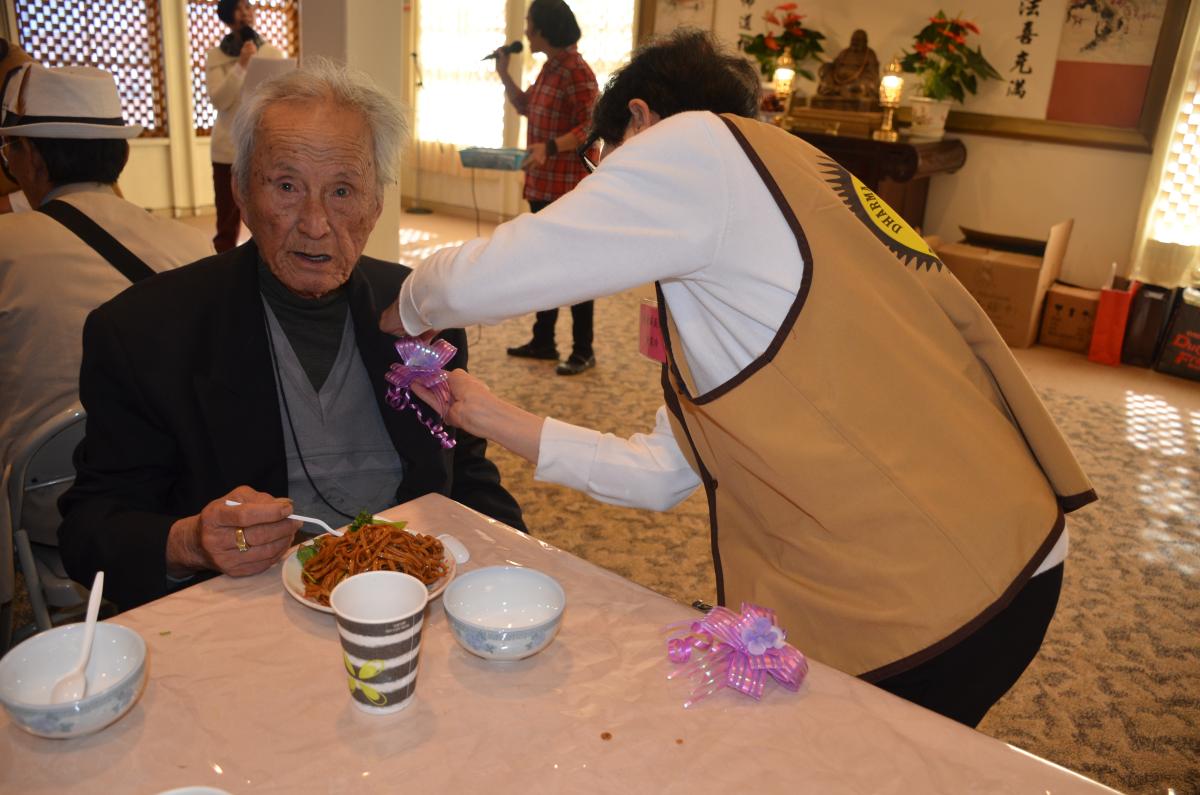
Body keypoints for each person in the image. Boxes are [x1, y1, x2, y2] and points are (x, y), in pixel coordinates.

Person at [381, 30, 1097, 727]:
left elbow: (498, 272)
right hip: (1008, 558)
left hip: (941, 590)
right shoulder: (783, 190)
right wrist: (487, 414)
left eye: (603, 163)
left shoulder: (694, 144)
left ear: (640, 119)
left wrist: (402, 302)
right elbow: (664, 472)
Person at [58, 60, 525, 613]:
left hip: (416, 597)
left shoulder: (421, 310)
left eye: (343, 191)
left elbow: (465, 471)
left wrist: (518, 565)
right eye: (286, 186)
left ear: (376, 203)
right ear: (241, 190)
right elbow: (90, 528)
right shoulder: (144, 331)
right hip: (244, 616)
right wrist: (191, 542)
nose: (315, 224)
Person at [0, 64, 212, 501]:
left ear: (32, 158)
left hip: (41, 499)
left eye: (9, 151)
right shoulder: (193, 244)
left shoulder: (7, 245)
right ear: (122, 154)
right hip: (177, 490)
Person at [492, 0, 599, 376]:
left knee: (576, 268)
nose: (525, 31)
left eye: (529, 24)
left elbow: (591, 127)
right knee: (545, 264)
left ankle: (583, 349)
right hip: (543, 184)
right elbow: (527, 106)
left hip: (568, 187)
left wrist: (550, 147)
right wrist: (504, 74)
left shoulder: (576, 70)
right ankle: (543, 340)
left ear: (544, 29)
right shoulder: (551, 68)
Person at [206, 0, 282, 252]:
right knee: (226, 221)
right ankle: (225, 266)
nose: (246, 13)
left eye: (248, 7)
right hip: (226, 148)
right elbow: (220, 100)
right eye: (239, 9)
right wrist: (242, 64)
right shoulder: (216, 56)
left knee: (269, 213)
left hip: (263, 145)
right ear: (228, 17)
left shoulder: (272, 54)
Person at [814, 29, 880, 107]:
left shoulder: (870, 54)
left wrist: (858, 81)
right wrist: (827, 67)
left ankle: (845, 90)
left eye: (858, 40)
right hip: (838, 79)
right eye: (854, 40)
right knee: (827, 75)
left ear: (865, 41)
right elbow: (835, 65)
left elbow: (872, 73)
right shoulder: (845, 52)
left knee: (866, 85)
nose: (855, 42)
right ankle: (834, 89)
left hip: (858, 81)